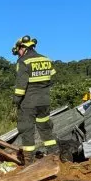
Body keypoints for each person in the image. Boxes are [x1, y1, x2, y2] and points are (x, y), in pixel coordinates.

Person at [12, 35, 58, 164]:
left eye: (18, 51)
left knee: (27, 130)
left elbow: (21, 86)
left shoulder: (23, 61)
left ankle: (29, 163)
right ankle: (54, 156)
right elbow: (52, 77)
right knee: (46, 129)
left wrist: (16, 101)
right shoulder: (46, 59)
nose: (18, 54)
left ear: (22, 48)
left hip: (28, 103)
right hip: (44, 101)